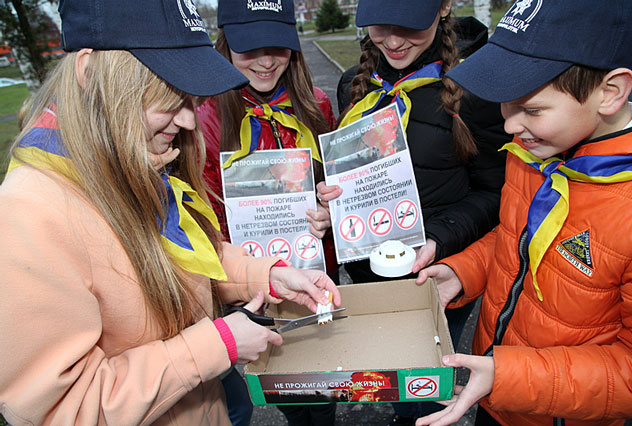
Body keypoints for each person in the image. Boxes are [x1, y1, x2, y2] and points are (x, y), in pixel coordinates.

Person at [0, 0, 342, 425]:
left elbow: (185, 259)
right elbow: (65, 408)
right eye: (167, 97)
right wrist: (215, 345)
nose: (186, 120)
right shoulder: (30, 214)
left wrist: (266, 275)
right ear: (90, 74)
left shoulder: (132, 160)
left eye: (190, 98)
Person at [413, 1, 632, 425]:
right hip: (495, 391)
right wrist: (464, 270)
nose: (511, 126)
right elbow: (516, 237)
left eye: (531, 109)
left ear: (611, 92)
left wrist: (510, 376)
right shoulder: (532, 151)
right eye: (504, 103)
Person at [310, 1, 510, 423]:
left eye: (410, 27)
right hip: (368, 275)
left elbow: (497, 193)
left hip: (439, 276)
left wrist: (438, 237)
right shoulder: (355, 84)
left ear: (443, 8)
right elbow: (348, 175)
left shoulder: (475, 90)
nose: (395, 41)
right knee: (394, 377)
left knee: (425, 387)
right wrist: (330, 206)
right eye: (381, 27)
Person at [196, 1, 338, 425]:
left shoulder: (315, 104)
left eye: (277, 46)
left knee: (324, 379)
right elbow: (204, 219)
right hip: (251, 283)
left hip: (314, 270)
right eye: (248, 48)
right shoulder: (203, 117)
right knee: (284, 383)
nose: (265, 60)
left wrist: (329, 209)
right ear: (225, 45)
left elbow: (331, 183)